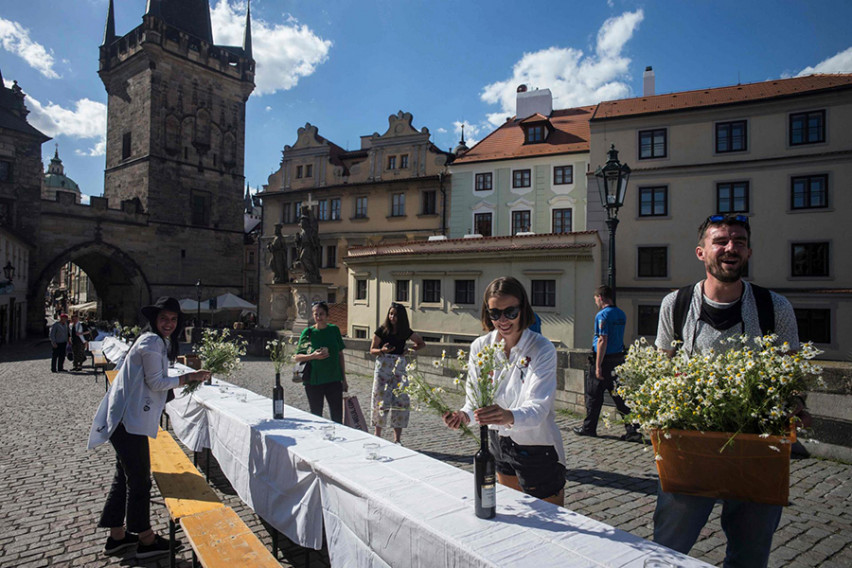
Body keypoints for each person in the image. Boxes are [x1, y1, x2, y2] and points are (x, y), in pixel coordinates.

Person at [652, 214, 800, 568]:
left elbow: (792, 375)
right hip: (690, 446)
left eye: (739, 242)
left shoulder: (775, 307)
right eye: (720, 241)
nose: (730, 248)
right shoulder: (676, 304)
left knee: (750, 555)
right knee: (669, 549)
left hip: (757, 448)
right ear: (701, 252)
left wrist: (794, 406)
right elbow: (660, 370)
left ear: (748, 252)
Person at [88, 297, 210, 559]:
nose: (168, 323)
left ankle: (117, 536)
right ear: (155, 319)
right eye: (164, 318)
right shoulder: (152, 341)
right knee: (140, 480)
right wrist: (191, 376)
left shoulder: (153, 341)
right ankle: (145, 539)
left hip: (124, 418)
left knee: (124, 476)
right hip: (128, 421)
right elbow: (156, 383)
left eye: (173, 319)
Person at [443, 276, 565, 505]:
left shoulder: (542, 348)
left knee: (552, 518)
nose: (502, 320)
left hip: (535, 445)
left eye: (510, 312)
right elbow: (474, 401)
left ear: (523, 309)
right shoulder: (480, 347)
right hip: (498, 442)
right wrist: (463, 416)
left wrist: (508, 416)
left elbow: (539, 407)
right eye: (495, 313)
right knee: (513, 510)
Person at [573, 285, 641, 442]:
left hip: (604, 360)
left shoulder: (602, 315)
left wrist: (598, 366)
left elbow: (602, 340)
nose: (595, 302)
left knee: (593, 396)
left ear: (601, 297)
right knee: (620, 398)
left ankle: (589, 428)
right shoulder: (621, 314)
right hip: (618, 359)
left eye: (596, 299)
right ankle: (633, 430)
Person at [369, 303, 425, 444]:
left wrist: (409, 350)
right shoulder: (382, 330)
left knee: (400, 401)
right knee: (380, 400)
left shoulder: (405, 331)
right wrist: (382, 350)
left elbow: (421, 343)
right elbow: (372, 350)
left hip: (399, 366)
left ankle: (397, 439)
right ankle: (377, 435)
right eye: (391, 314)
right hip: (383, 366)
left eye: (395, 315)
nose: (392, 317)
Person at [294, 301, 348, 423]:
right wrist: (313, 356)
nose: (318, 317)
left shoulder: (334, 330)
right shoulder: (308, 332)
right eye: (316, 314)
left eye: (321, 314)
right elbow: (297, 357)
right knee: (316, 416)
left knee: (337, 417)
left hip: (334, 379)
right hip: (314, 381)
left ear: (327, 315)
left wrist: (344, 379)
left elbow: (340, 355)